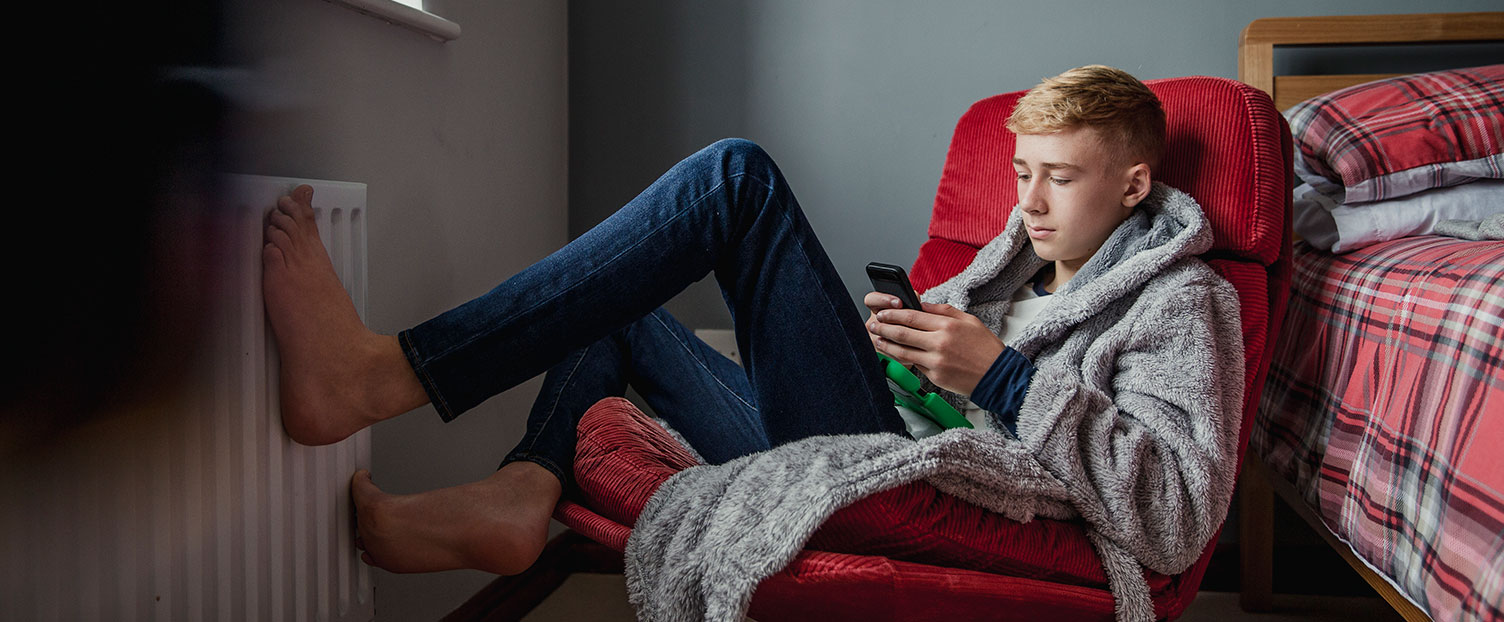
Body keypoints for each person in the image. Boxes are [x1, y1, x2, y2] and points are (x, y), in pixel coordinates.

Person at [261, 65, 1244, 606]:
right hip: (888, 434)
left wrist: (1003, 378)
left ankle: (387, 373)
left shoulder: (1180, 305)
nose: (1026, 201)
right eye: (1021, 171)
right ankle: (524, 494)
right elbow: (940, 381)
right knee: (623, 305)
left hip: (923, 478)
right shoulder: (1014, 265)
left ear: (1132, 184)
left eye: (1057, 178)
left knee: (736, 180)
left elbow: (1175, 512)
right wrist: (903, 348)